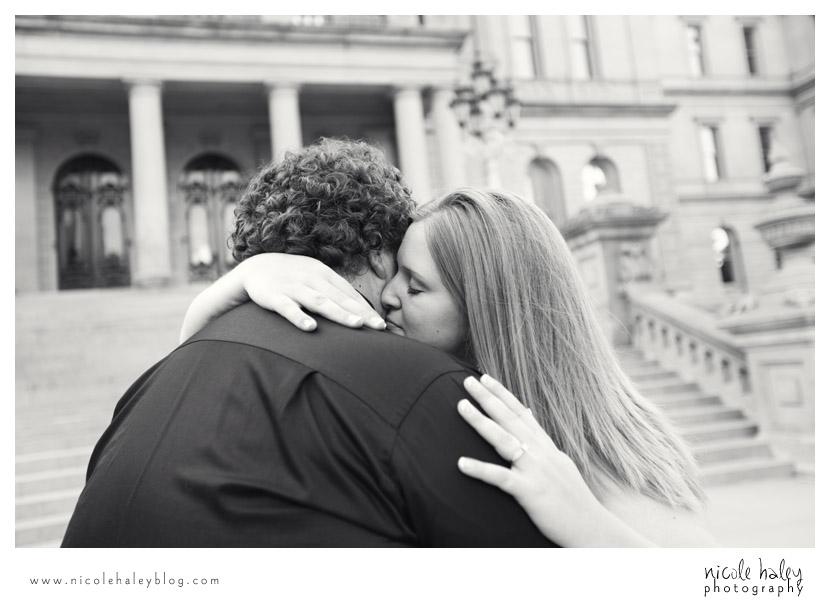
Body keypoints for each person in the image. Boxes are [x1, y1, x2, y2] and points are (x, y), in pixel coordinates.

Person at [61, 139, 556, 547]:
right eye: (404, 270)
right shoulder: (419, 382)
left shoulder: (151, 382)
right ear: (382, 256)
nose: (399, 293)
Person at [182, 186, 719, 547]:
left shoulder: (618, 455)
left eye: (415, 286)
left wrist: (587, 525)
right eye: (393, 272)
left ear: (490, 311)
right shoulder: (430, 405)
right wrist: (236, 285)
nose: (385, 297)